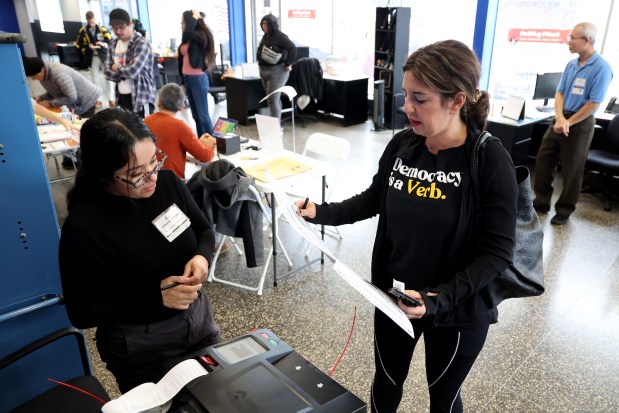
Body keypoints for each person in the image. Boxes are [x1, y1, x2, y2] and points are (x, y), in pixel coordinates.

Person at [295, 40, 518, 413]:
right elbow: (373, 199)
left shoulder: (489, 159)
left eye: (419, 98)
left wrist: (437, 299)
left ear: (456, 101)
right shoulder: (403, 144)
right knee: (385, 384)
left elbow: (497, 255)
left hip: (456, 309)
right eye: (405, 95)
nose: (406, 107)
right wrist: (321, 212)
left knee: (443, 399)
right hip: (395, 297)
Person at [58, 108, 221, 393]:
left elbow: (204, 231)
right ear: (103, 175)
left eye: (154, 161)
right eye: (136, 174)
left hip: (198, 320)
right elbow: (81, 312)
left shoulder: (168, 184)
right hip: (141, 343)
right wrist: (155, 297)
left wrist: (201, 256)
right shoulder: (84, 228)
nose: (152, 178)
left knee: (215, 394)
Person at [533, 22, 613, 225]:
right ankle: (541, 202)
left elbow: (594, 102)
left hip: (581, 122)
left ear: (586, 40)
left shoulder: (602, 68)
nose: (568, 42)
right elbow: (559, 92)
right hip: (561, 118)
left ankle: (565, 209)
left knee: (572, 169)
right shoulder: (571, 64)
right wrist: (560, 119)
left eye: (572, 38)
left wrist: (569, 121)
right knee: (543, 161)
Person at [145, 83, 217, 179]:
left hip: (147, 180)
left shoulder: (145, 122)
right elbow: (205, 157)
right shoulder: (180, 127)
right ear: (182, 107)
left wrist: (198, 144)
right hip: (172, 183)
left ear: (158, 102)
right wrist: (210, 145)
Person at [104, 8, 156, 118]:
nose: (118, 31)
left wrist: (116, 68)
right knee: (126, 132)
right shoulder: (113, 45)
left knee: (142, 132)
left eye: (121, 27)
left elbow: (132, 71)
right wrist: (124, 70)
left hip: (141, 97)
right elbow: (107, 73)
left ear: (130, 24)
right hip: (121, 96)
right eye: (114, 28)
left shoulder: (141, 43)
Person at [23, 57, 101, 118]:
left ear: (39, 72)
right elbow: (54, 92)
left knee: (86, 127)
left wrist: (50, 103)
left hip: (87, 99)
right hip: (77, 100)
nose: (34, 80)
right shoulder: (43, 74)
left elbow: (71, 97)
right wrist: (41, 98)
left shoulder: (58, 73)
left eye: (33, 78)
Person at [178, 9, 216, 136]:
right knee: (195, 116)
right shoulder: (187, 37)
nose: (181, 24)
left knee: (203, 115)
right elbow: (182, 60)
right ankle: (202, 142)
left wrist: (192, 19)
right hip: (188, 78)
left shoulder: (200, 35)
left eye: (183, 21)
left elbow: (189, 30)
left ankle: (212, 143)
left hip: (198, 79)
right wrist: (183, 82)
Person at [256, 14, 296, 121]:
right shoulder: (266, 36)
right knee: (273, 99)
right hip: (264, 71)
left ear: (272, 24)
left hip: (277, 72)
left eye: (266, 24)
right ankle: (277, 125)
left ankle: (275, 128)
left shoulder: (280, 36)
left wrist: (287, 64)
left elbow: (292, 48)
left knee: (272, 99)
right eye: (263, 23)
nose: (264, 26)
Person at [75, 10, 115, 107]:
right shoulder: (83, 31)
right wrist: (87, 46)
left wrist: (103, 44)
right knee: (94, 78)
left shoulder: (102, 29)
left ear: (95, 19)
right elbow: (78, 44)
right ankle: (99, 99)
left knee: (108, 77)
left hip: (104, 55)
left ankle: (111, 98)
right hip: (92, 57)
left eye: (93, 22)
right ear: (86, 21)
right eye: (89, 23)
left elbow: (110, 41)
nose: (91, 24)